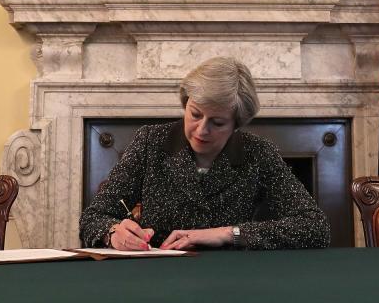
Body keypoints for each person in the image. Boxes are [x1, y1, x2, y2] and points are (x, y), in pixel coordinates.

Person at [79, 57, 330, 250]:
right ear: (185, 103)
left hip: (232, 278)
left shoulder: (258, 153)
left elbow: (315, 227)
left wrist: (228, 233)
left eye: (217, 123)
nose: (201, 130)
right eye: (195, 114)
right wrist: (112, 233)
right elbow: (93, 217)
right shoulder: (150, 142)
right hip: (157, 276)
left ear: (236, 124)